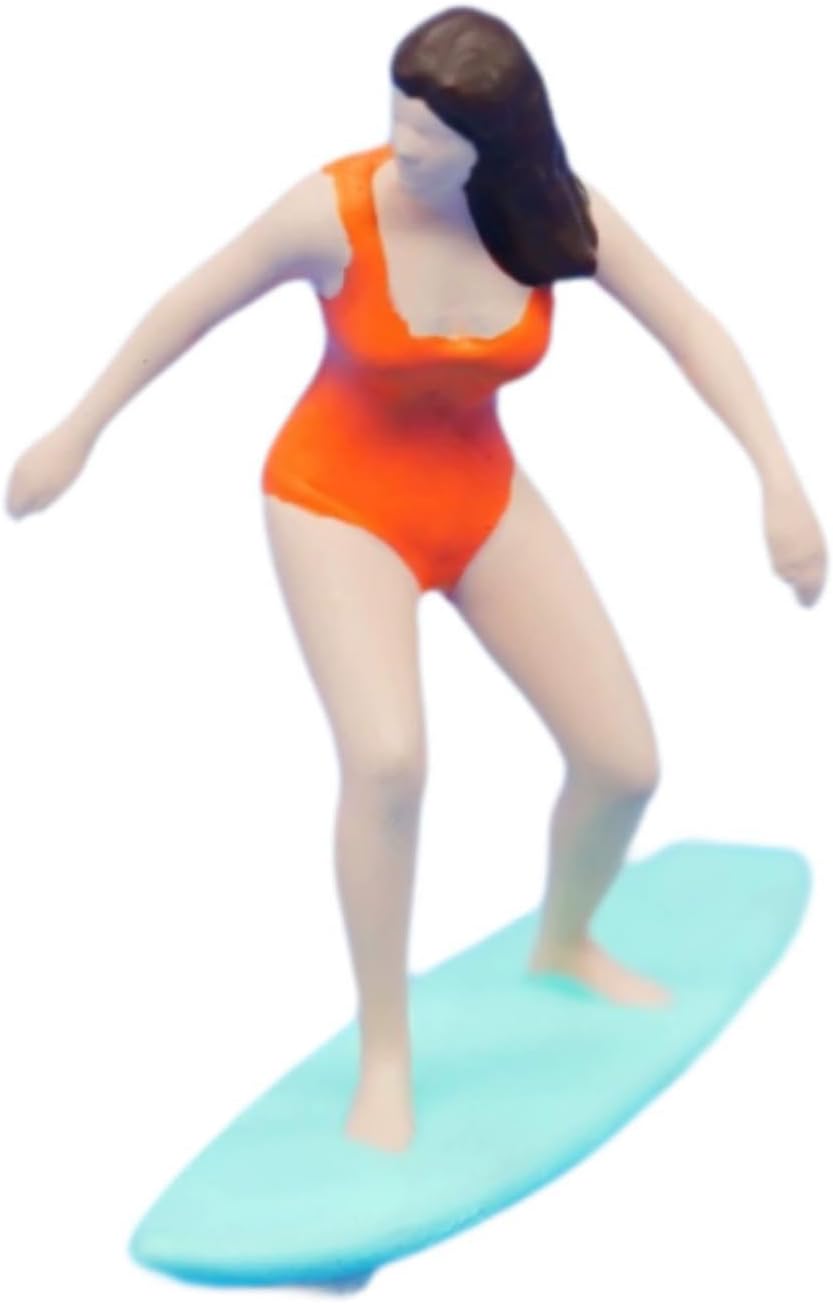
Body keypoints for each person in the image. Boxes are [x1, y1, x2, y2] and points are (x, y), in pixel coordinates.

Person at [5, 6, 826, 1156]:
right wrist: (75, 433)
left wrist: (776, 479)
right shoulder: (332, 210)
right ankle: (383, 1049)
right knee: (388, 760)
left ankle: (564, 939)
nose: (403, 145)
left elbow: (691, 327)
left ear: (495, 142)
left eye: (432, 133)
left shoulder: (553, 213)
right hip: (336, 501)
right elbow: (185, 306)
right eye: (396, 115)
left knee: (622, 761)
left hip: (476, 494)